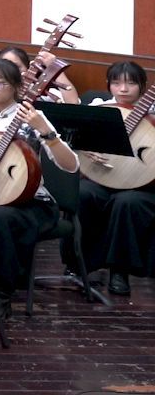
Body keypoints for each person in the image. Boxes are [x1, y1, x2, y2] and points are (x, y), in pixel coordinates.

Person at [0, 58, 76, 321]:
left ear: (18, 86)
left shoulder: (34, 117)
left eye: (0, 83)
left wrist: (46, 132)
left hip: (30, 203)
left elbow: (70, 165)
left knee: (1, 219)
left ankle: (0, 295)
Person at [76, 61, 155, 297]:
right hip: (103, 178)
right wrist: (86, 149)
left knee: (127, 203)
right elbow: (74, 144)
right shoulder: (100, 111)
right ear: (108, 85)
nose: (123, 89)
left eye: (131, 83)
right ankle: (81, 264)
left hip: (144, 186)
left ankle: (119, 271)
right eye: (117, 82)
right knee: (82, 194)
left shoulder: (152, 114)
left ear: (143, 86)